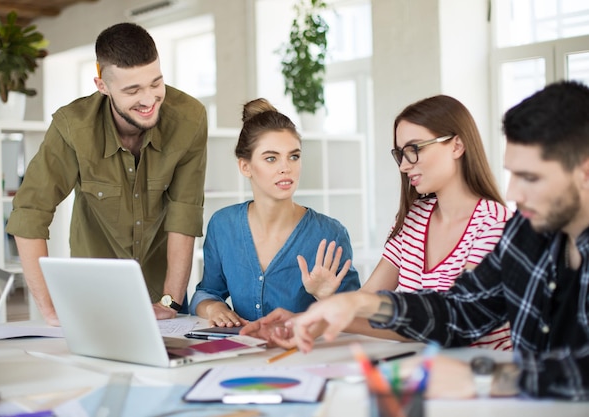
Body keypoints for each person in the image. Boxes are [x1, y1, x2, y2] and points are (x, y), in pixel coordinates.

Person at [286, 80, 589, 400]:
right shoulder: (524, 236)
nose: (513, 193)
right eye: (512, 174)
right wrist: (359, 302)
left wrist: (486, 378)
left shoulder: (498, 223)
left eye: (530, 177)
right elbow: (460, 311)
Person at [244, 95, 513, 350]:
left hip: (482, 378)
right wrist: (311, 320)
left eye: (414, 149)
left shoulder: (493, 224)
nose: (404, 166)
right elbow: (371, 302)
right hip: (422, 370)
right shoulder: (413, 218)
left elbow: (455, 323)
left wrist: (336, 310)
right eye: (400, 154)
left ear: (456, 145)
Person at [5, 23, 208, 326]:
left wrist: (171, 299)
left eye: (156, 83)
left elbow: (184, 213)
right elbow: (30, 212)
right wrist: (50, 309)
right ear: (102, 86)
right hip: (91, 293)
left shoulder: (189, 119)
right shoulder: (73, 128)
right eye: (132, 90)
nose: (150, 100)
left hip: (162, 294)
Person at [189, 98, 360, 327]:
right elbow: (206, 292)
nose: (286, 168)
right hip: (240, 356)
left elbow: (356, 318)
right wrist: (214, 307)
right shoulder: (222, 225)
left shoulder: (329, 234)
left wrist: (325, 297)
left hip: (304, 356)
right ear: (245, 166)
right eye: (271, 158)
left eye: (294, 156)